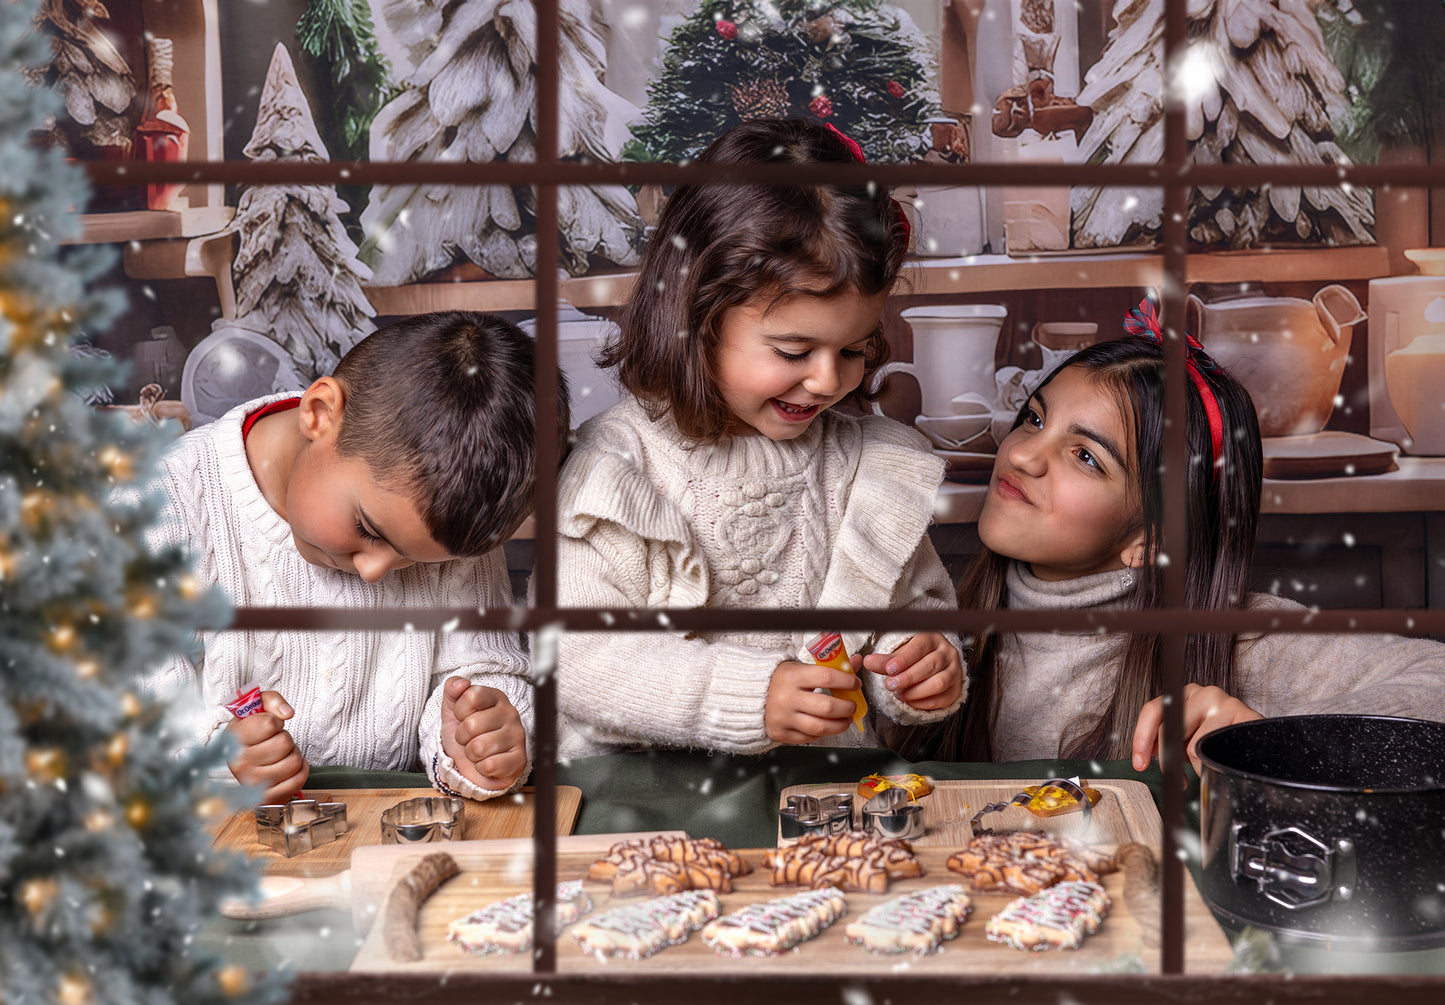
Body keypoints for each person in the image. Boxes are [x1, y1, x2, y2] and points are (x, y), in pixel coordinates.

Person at [552, 117, 965, 759]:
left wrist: (918, 663)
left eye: (855, 349)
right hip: (646, 808)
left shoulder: (866, 467)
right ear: (699, 316)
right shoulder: (618, 469)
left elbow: (910, 606)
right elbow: (580, 659)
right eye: (793, 350)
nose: (828, 380)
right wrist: (750, 696)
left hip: (825, 800)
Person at [891, 300, 1445, 771]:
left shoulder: (1239, 641)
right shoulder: (937, 617)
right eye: (1034, 419)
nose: (1021, 454)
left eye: (1086, 456)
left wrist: (1267, 744)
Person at [143, 311, 566, 804]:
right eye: (367, 529)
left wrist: (478, 741)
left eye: (417, 562)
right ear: (319, 413)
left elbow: (482, 671)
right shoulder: (155, 510)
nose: (373, 571)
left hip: (391, 829)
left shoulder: (450, 519)